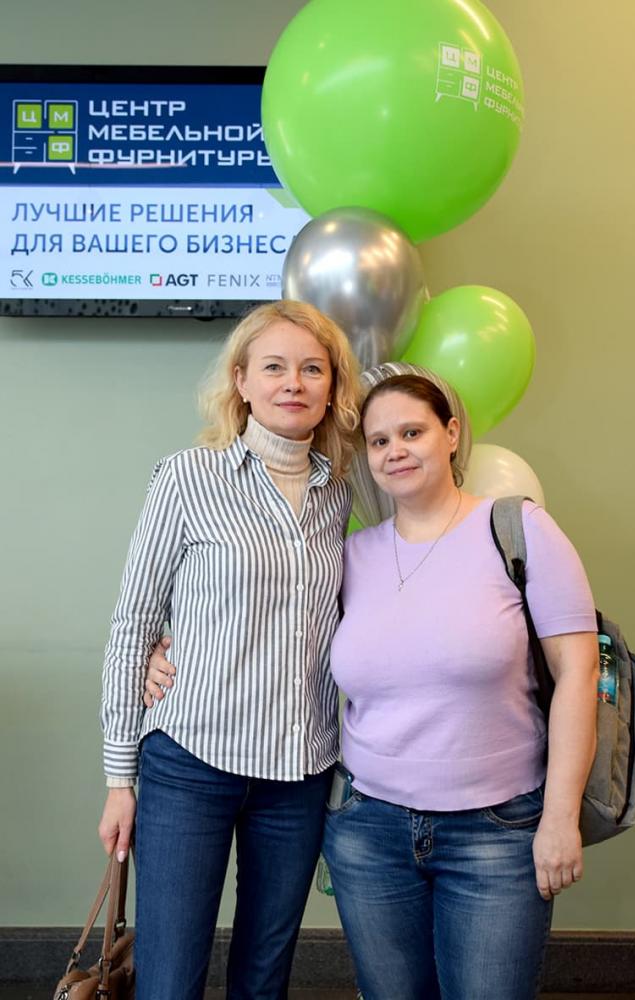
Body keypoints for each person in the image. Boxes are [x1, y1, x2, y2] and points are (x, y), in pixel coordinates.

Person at [98, 299, 360, 1000]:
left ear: (332, 387)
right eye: (273, 367)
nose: (293, 383)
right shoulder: (188, 476)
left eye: (313, 369)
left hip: (299, 771)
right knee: (168, 981)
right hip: (191, 764)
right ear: (240, 380)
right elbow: (133, 623)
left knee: (264, 982)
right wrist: (119, 780)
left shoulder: (342, 493)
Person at [320, 373, 599, 1000]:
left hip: (496, 833)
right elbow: (273, 640)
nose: (395, 451)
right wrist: (167, 649)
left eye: (412, 432)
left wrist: (560, 818)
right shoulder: (352, 556)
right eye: (379, 441)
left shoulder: (519, 531)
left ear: (450, 434)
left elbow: (579, 673)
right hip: (368, 831)